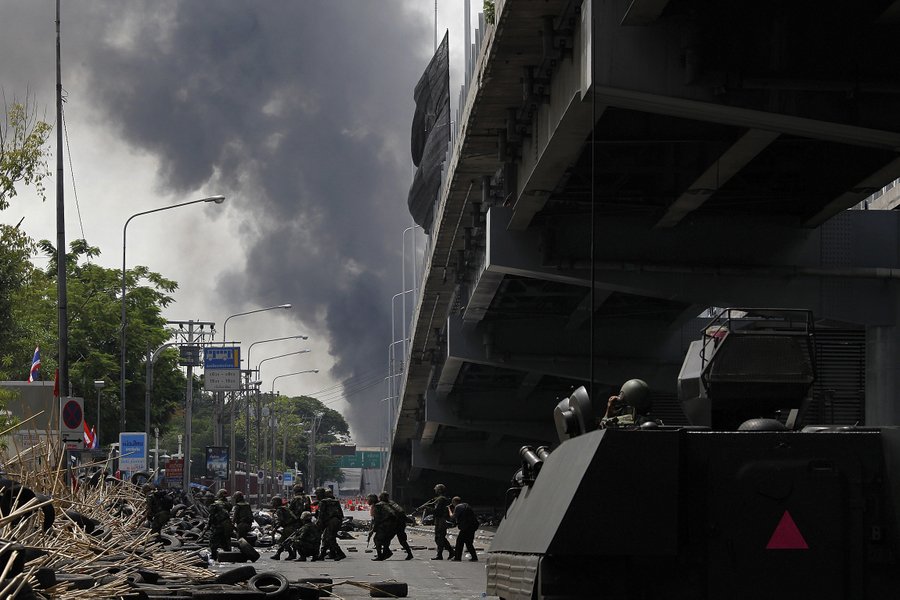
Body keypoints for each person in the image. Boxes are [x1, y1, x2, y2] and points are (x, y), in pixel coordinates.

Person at [380, 491, 413, 560]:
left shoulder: (385, 504)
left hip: (395, 524)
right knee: (402, 540)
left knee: (386, 540)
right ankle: (409, 554)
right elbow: (401, 512)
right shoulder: (392, 503)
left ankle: (385, 554)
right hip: (400, 523)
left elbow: (390, 514)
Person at [315, 488, 346, 560]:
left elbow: (321, 516)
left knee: (329, 538)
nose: (316, 496)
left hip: (331, 522)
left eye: (317, 494)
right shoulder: (334, 501)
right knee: (328, 538)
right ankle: (324, 554)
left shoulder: (323, 502)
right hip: (337, 521)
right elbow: (341, 514)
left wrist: (318, 526)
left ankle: (340, 553)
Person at [367, 493, 396, 561]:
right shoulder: (380, 505)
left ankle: (380, 556)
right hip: (390, 525)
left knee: (377, 539)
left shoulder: (377, 506)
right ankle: (386, 553)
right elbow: (374, 520)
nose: (367, 501)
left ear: (372, 499)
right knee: (384, 541)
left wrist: (372, 530)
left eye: (368, 499)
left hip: (386, 525)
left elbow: (377, 520)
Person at [428, 484, 453, 560]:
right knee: (440, 538)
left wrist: (427, 508)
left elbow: (437, 511)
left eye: (436, 489)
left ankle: (441, 554)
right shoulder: (441, 498)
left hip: (441, 520)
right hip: (440, 520)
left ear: (439, 490)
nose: (435, 490)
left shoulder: (441, 499)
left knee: (439, 537)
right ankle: (450, 552)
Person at [207, 490, 234, 561]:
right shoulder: (228, 504)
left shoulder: (214, 505)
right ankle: (228, 556)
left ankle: (214, 556)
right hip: (227, 525)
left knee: (213, 541)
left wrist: (208, 526)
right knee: (226, 540)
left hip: (217, 526)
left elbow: (211, 517)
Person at [449, 496, 478, 561]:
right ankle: (474, 557)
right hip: (473, 526)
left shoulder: (458, 507)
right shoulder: (466, 505)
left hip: (465, 527)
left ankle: (457, 557)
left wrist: (449, 509)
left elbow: (452, 517)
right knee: (468, 542)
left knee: (459, 542)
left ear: (454, 502)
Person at [271, 495, 299, 560]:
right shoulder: (285, 508)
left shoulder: (279, 510)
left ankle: (291, 554)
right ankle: (278, 554)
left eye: (273, 502)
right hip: (292, 526)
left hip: (289, 527)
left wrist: (275, 529)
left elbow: (280, 521)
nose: (272, 503)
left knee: (284, 541)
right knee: (283, 541)